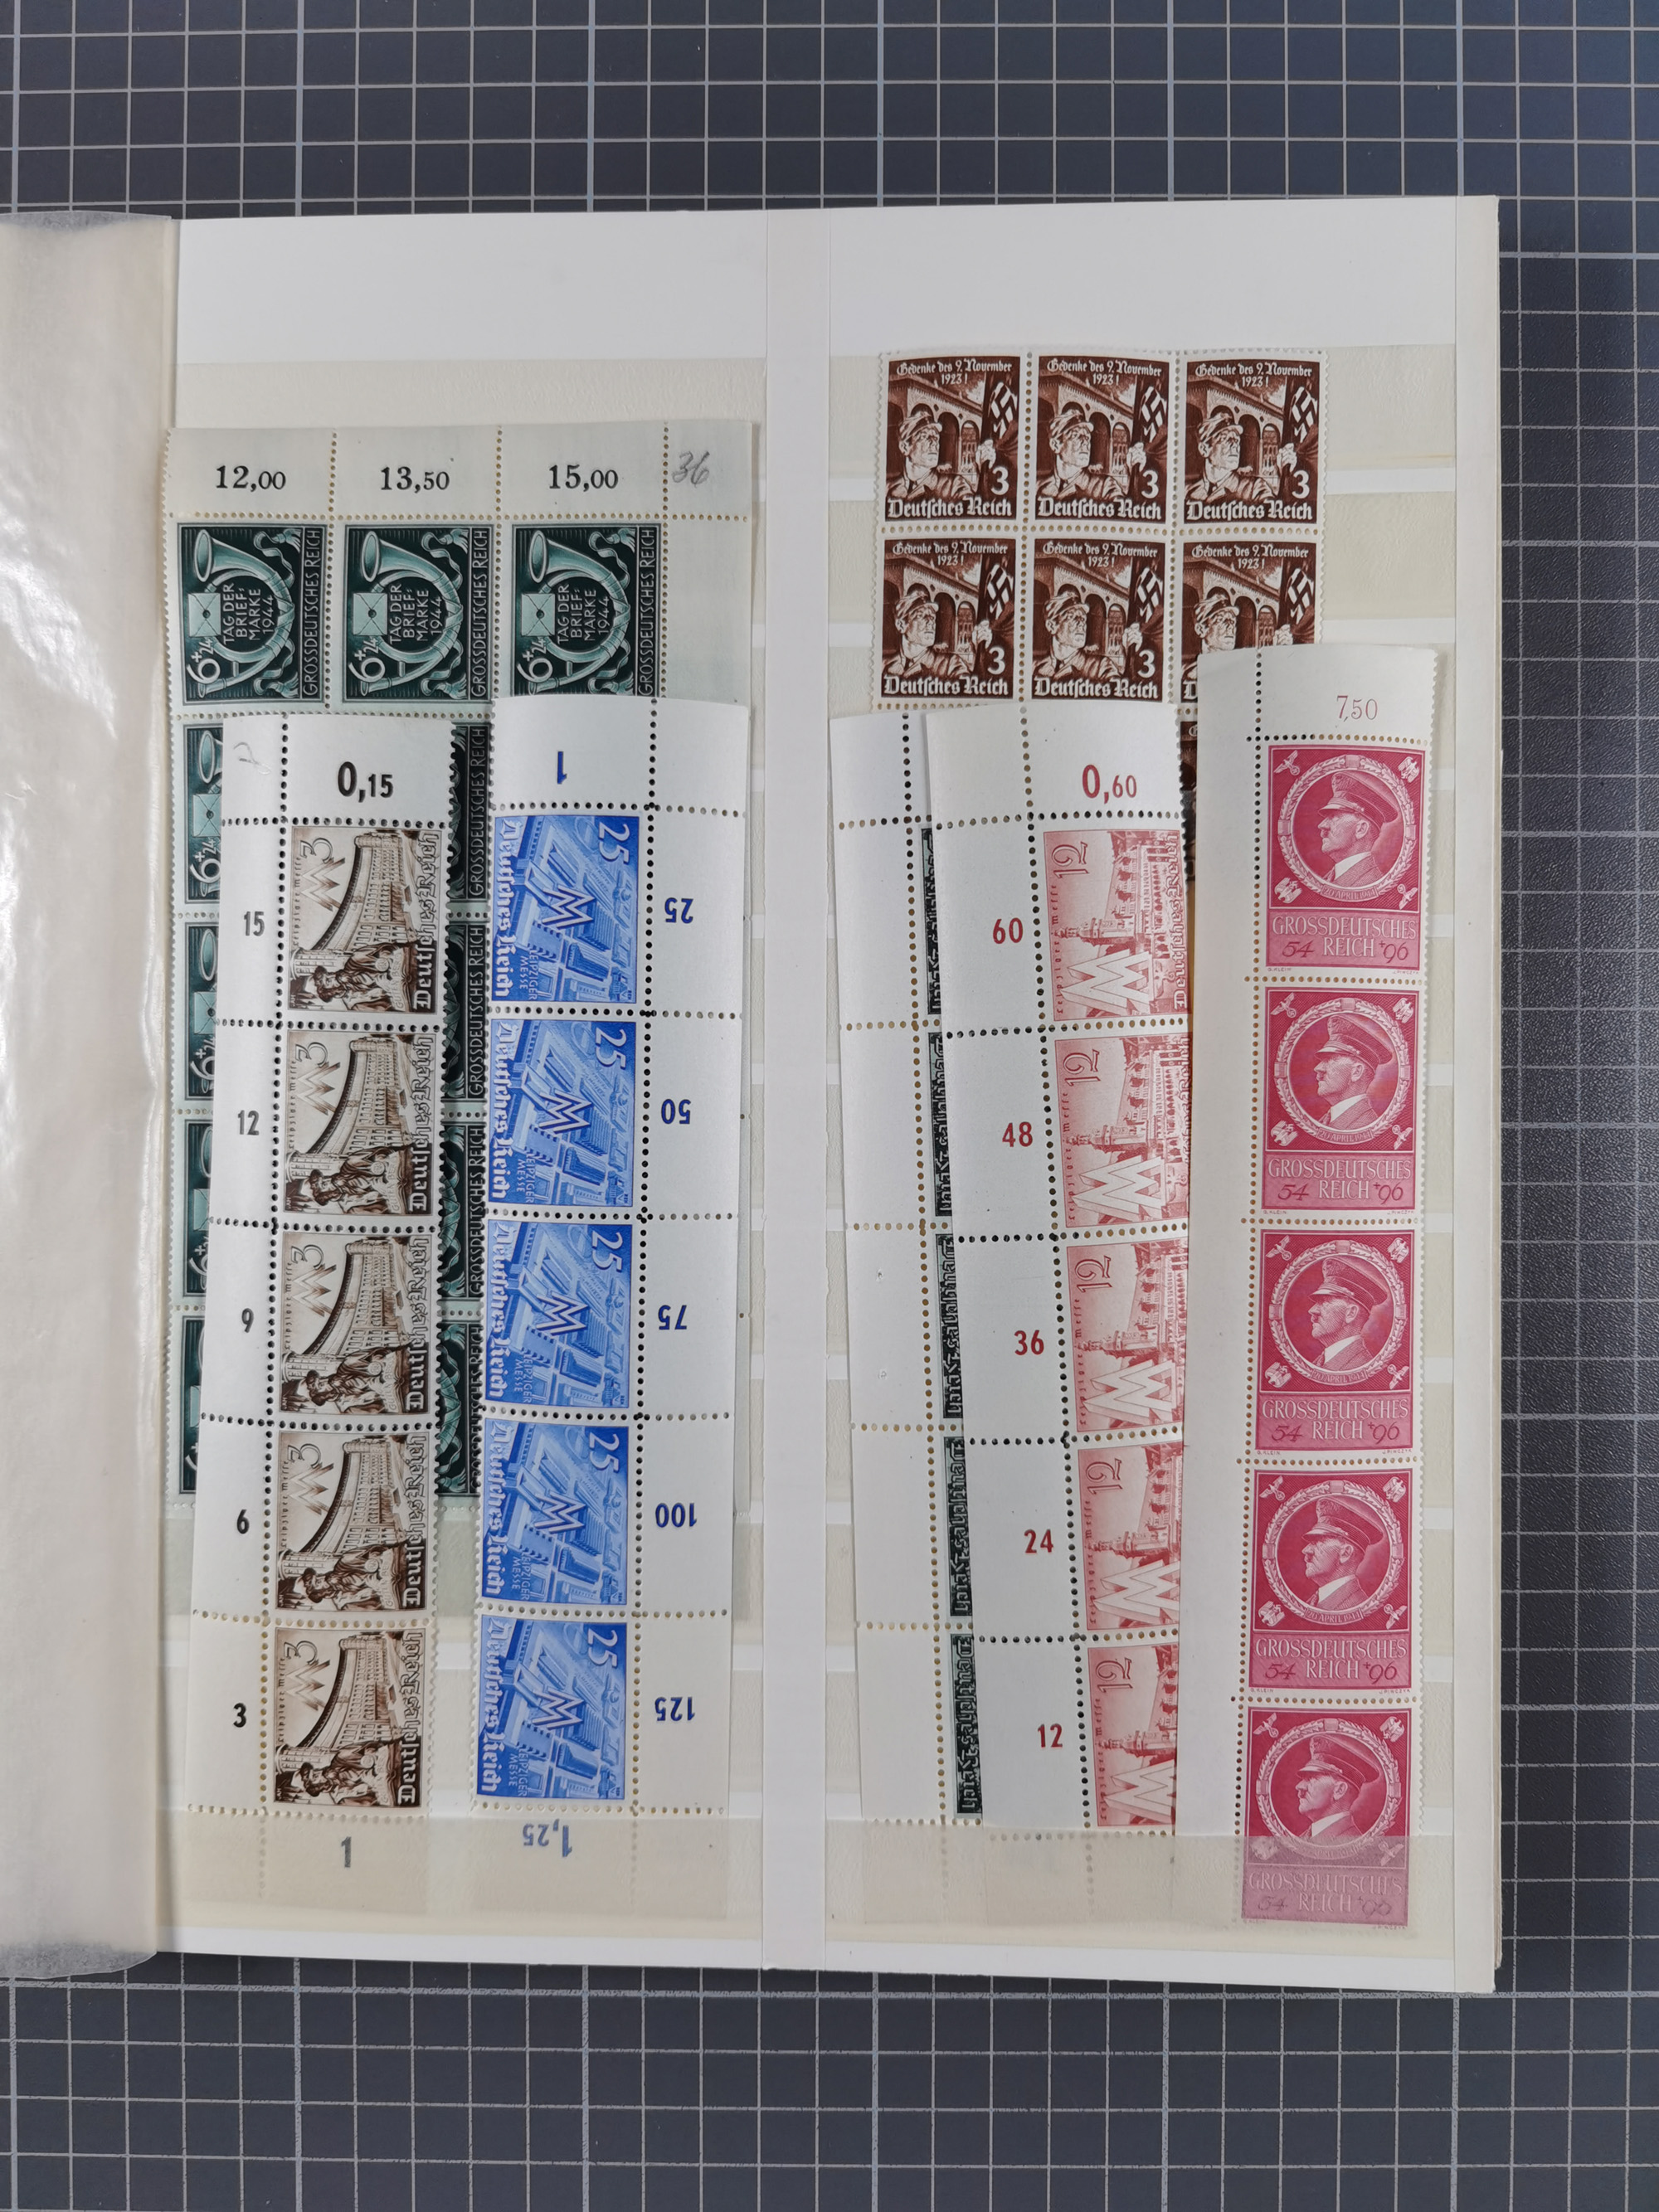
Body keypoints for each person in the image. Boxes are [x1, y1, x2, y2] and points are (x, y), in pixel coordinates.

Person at [1188, 401, 1297, 507]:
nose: (1235, 445)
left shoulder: (1254, 488)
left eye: (1237, 440)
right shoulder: (1188, 491)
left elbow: (1277, 512)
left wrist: (1285, 478)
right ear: (1204, 449)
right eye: (1226, 439)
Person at [1036, 401, 1145, 505]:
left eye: (1087, 437)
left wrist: (1133, 475)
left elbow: (1126, 510)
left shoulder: (1104, 486)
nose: (1085, 442)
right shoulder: (1037, 486)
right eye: (1075, 435)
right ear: (1055, 445)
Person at [888, 401, 995, 506]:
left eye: (936, 437)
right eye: (924, 436)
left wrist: (983, 474)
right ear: (905, 447)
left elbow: (977, 509)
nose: (934, 443)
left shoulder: (954, 486)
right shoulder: (888, 487)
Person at [1033, 583, 1139, 685]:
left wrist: (1130, 657)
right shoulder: (1034, 666)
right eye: (1071, 616)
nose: (1081, 624)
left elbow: (1122, 690)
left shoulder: (1101, 667)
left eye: (1083, 618)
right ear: (1051, 626)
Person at [883, 581, 987, 683]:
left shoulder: (950, 664)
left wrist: (979, 655)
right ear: (901, 625)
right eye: (920, 615)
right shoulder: (883, 664)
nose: (931, 622)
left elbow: (972, 687)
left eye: (932, 617)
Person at [1303, 1255, 1386, 1373]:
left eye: (1325, 1302)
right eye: (1317, 1302)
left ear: (1351, 1313)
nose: (1312, 1310)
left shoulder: (1359, 1364)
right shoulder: (1320, 1362)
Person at [1314, 773, 1394, 889]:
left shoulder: (1369, 882)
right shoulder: (1330, 878)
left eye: (1334, 817)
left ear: (1361, 829)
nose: (1322, 825)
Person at [1309, 1015, 1389, 1130]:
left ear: (1356, 1072)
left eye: (1332, 1059)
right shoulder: (1328, 1119)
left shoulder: (1364, 1124)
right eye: (1323, 1061)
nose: (1318, 1068)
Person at [1292, 1734, 1376, 1842]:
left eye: (1312, 1779)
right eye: (1304, 1779)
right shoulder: (1305, 1837)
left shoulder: (1350, 1842)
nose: (1299, 1786)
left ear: (1339, 1790)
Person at [1298, 1500, 1378, 1612]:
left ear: (1345, 1553)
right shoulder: (1315, 1601)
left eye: (1318, 1542)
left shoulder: (1355, 1605)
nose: (1306, 1550)